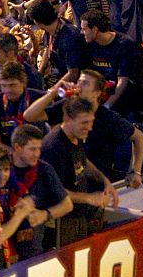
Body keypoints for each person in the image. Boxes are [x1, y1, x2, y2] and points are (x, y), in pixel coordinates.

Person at [24, 69, 143, 185]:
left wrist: (136, 171)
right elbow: (29, 116)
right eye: (79, 82)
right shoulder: (68, 106)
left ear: (97, 93)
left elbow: (138, 136)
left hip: (95, 183)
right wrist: (52, 93)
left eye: (85, 83)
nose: (79, 86)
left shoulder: (108, 118)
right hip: (67, 178)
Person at [40, 97, 119, 246]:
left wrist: (104, 180)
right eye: (84, 123)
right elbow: (54, 191)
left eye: (91, 122)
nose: (89, 127)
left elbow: (82, 161)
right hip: (61, 224)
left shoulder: (76, 135)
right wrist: (89, 198)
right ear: (68, 119)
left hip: (77, 218)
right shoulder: (54, 148)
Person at [5, 125, 73, 260]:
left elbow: (67, 205)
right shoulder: (1, 168)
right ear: (17, 147)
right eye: (32, 149)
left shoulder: (44, 170)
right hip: (3, 249)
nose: (37, 154)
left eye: (39, 149)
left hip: (31, 252)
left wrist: (45, 214)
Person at [79, 9, 137, 113]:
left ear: (95, 30)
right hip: (97, 91)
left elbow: (122, 82)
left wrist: (106, 106)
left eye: (84, 29)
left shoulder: (124, 44)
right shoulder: (88, 43)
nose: (81, 32)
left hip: (119, 95)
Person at [0, 61, 46, 148]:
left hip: (38, 149)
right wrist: (18, 155)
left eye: (12, 85)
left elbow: (54, 130)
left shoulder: (40, 99)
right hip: (8, 152)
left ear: (23, 82)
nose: (8, 90)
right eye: (3, 86)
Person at [27, 0, 86, 85]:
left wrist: (53, 91)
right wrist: (39, 74)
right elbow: (47, 50)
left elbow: (73, 74)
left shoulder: (70, 37)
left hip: (74, 83)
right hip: (58, 76)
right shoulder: (50, 29)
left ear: (38, 22)